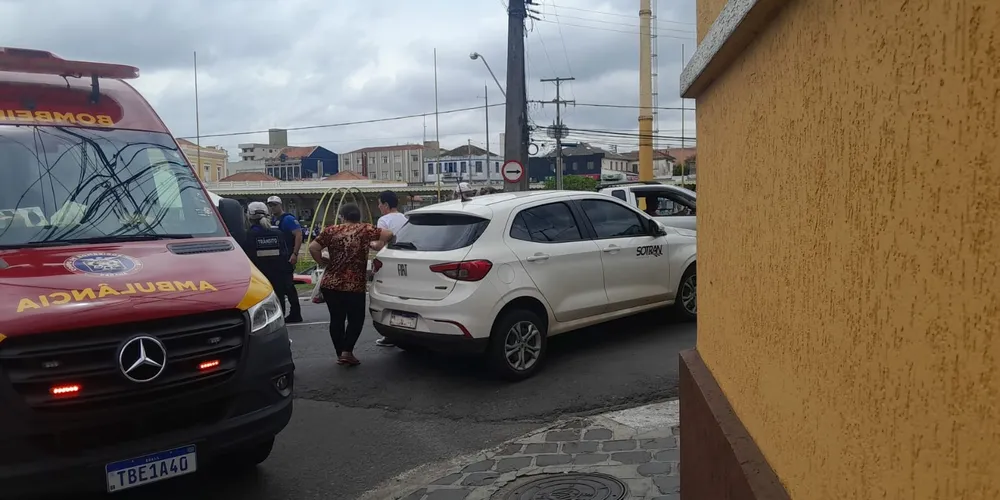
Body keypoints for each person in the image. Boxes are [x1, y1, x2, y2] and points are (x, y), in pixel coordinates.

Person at [309, 203, 393, 366]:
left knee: (336, 319)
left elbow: (313, 247)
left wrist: (322, 261)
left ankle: (341, 353)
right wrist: (372, 244)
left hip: (331, 283)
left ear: (342, 216)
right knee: (356, 319)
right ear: (358, 217)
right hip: (353, 284)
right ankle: (348, 351)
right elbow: (388, 234)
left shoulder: (331, 230)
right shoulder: (365, 229)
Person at [240, 202, 292, 312]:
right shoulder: (278, 233)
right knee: (279, 301)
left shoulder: (247, 235)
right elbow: (284, 254)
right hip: (278, 275)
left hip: (258, 278)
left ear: (249, 216)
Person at [372, 190, 408, 347]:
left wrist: (368, 243)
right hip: (407, 262)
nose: (379, 207)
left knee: (390, 302)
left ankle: (391, 334)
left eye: (379, 204)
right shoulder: (406, 218)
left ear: (386, 205)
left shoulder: (383, 221)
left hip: (391, 263)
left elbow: (379, 245)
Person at [267, 195, 304, 323]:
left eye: (274, 205)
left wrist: (295, 253)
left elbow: (298, 235)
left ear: (280, 205)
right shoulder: (272, 220)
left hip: (287, 257)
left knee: (288, 286)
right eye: (270, 205)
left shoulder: (287, 219)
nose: (272, 207)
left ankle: (295, 313)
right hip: (278, 258)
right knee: (280, 287)